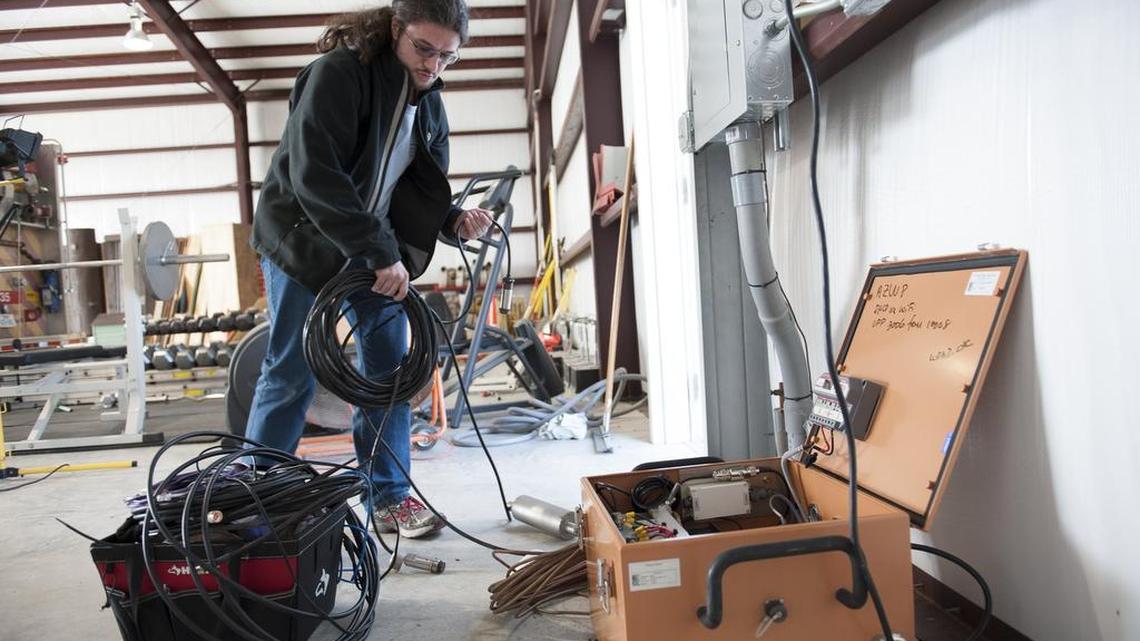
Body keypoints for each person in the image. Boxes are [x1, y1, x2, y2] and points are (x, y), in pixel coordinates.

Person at [247, 0, 492, 538]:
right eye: (423, 49)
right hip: (303, 238)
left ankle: (390, 498)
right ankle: (259, 498)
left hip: (370, 249)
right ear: (396, 30)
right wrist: (380, 251)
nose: (432, 67)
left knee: (390, 370)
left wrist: (451, 221)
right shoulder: (339, 75)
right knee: (292, 369)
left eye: (446, 57)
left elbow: (410, 188)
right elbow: (316, 175)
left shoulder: (428, 105)